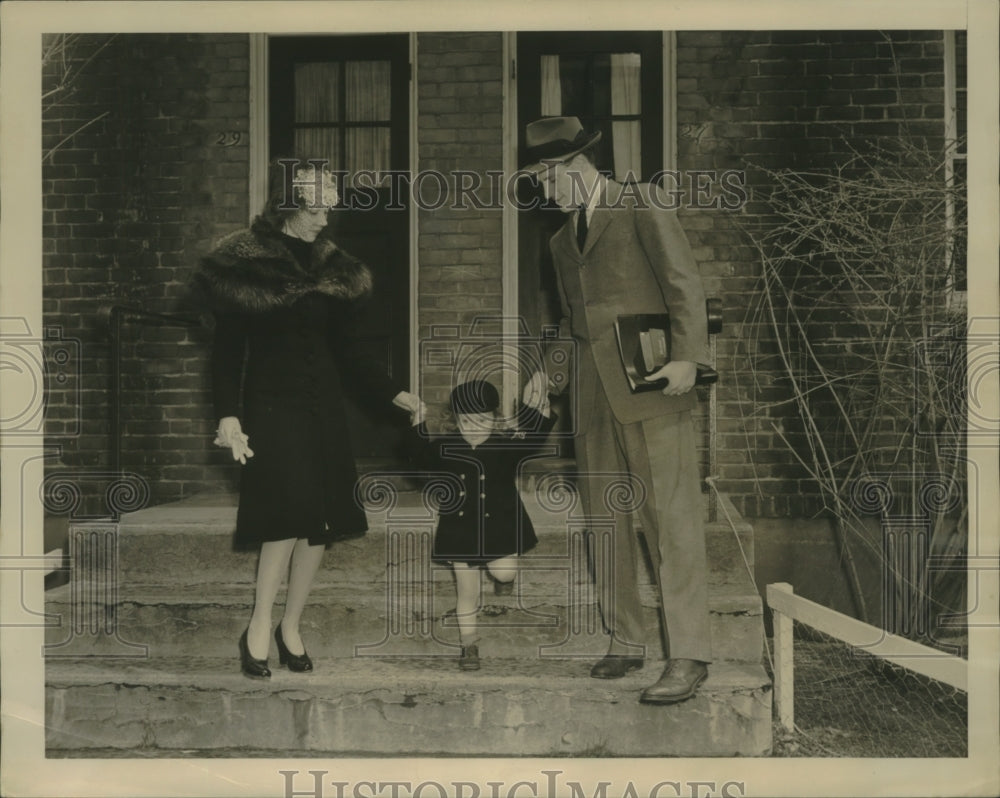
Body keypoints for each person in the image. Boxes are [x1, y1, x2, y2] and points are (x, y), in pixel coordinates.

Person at [193, 157, 422, 679]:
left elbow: (351, 352)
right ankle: (257, 624)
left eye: (328, 206)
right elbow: (226, 352)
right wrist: (228, 415)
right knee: (285, 517)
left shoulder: (334, 268)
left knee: (318, 524)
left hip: (322, 410)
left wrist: (396, 394)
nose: (324, 217)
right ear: (287, 205)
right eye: (315, 206)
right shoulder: (242, 264)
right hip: (272, 409)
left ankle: (290, 625)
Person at [523, 117, 713, 704]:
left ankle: (688, 655)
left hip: (652, 383)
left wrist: (689, 359)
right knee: (605, 519)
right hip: (590, 392)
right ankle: (626, 639)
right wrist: (547, 372)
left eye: (547, 178)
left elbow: (685, 287)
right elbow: (571, 321)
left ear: (575, 168)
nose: (544, 191)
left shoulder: (641, 204)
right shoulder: (559, 242)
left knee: (670, 520)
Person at [407, 378, 556, 670]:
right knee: (467, 592)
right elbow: (419, 456)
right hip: (460, 530)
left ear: (495, 419)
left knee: (503, 572)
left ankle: (504, 581)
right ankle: (469, 646)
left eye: (482, 420)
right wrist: (417, 424)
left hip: (500, 525)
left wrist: (541, 410)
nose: (473, 427)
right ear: (454, 421)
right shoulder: (446, 448)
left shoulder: (505, 446)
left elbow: (534, 439)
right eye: (465, 420)